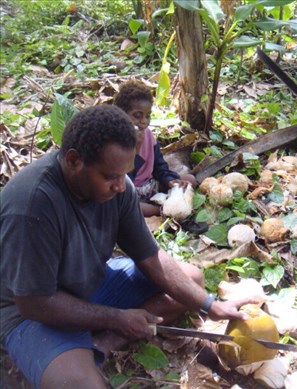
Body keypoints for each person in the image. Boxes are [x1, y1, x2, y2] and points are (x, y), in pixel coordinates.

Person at [0, 105, 253, 389]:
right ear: (73, 160)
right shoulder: (32, 204)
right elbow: (34, 302)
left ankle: (102, 342)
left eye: (125, 174)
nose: (121, 186)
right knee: (80, 384)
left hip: (91, 284)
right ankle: (67, 349)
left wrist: (210, 305)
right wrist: (116, 317)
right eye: (109, 176)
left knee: (191, 281)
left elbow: (150, 255)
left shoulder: (118, 187)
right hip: (30, 314)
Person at [114, 80, 197, 217]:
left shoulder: (148, 136)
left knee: (190, 180)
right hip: (128, 192)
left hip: (150, 186)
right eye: (137, 116)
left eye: (147, 115)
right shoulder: (116, 141)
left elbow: (159, 165)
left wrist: (169, 180)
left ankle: (167, 204)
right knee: (137, 208)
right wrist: (135, 147)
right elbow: (123, 178)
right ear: (121, 115)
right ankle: (160, 210)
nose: (144, 121)